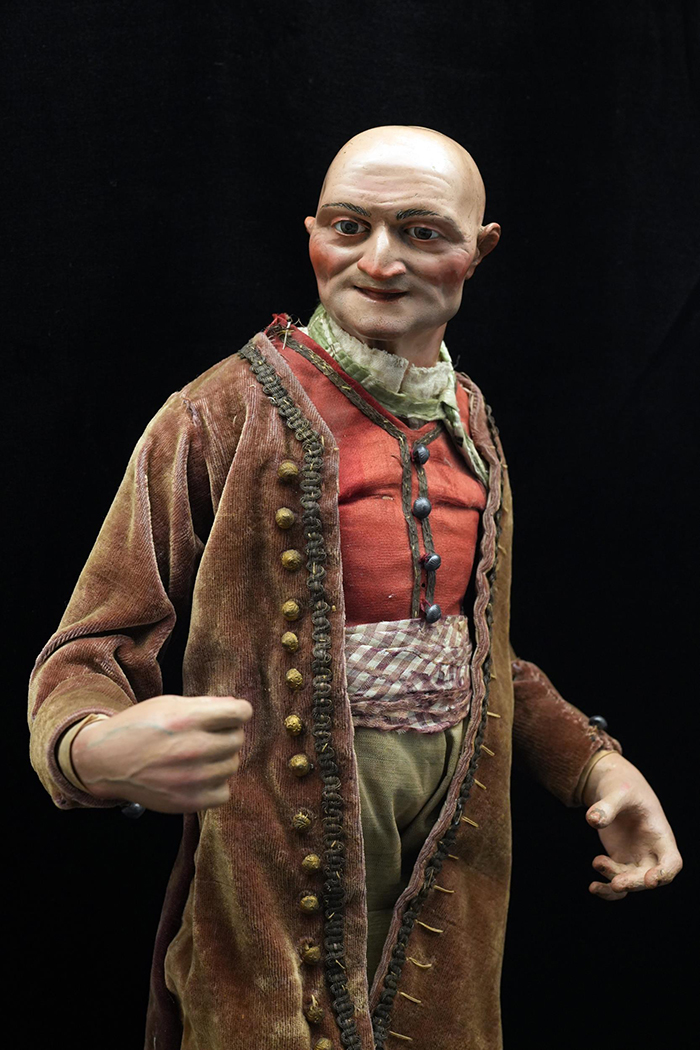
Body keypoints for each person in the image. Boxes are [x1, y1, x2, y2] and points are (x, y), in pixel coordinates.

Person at [28, 126, 682, 1050]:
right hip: (271, 870)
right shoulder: (221, 412)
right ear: (311, 234)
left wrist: (596, 765)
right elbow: (92, 645)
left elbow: (481, 656)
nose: (378, 262)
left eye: (422, 232)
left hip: (453, 869)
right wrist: (89, 746)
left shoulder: (472, 422)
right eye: (348, 227)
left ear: (479, 249)